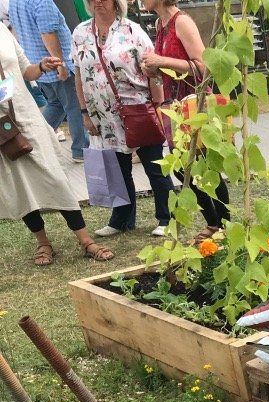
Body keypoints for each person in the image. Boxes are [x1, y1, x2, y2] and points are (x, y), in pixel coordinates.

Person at [0, 23, 113, 264]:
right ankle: (43, 243)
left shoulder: (2, 29)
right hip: (1, 129)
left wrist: (41, 66)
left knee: (55, 178)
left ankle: (85, 240)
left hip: (26, 117)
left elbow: (26, 71)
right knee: (21, 185)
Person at [72, 0, 173, 237]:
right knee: (117, 169)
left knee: (155, 166)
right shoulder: (81, 32)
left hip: (138, 109)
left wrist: (158, 107)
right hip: (104, 117)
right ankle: (121, 219)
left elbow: (154, 73)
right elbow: (78, 73)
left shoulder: (132, 31)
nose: (98, 2)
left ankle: (166, 217)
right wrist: (85, 112)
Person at [140, 0, 229, 240]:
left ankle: (223, 224)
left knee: (205, 165)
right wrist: (153, 70)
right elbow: (169, 68)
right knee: (182, 167)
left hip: (195, 104)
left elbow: (203, 67)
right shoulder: (160, 23)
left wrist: (162, 62)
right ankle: (214, 222)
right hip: (175, 107)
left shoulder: (182, 22)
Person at [8, 0, 89, 161]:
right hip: (53, 65)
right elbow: (48, 33)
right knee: (74, 106)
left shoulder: (15, 1)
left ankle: (35, 142)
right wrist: (61, 64)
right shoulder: (42, 2)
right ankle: (81, 149)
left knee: (55, 104)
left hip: (37, 65)